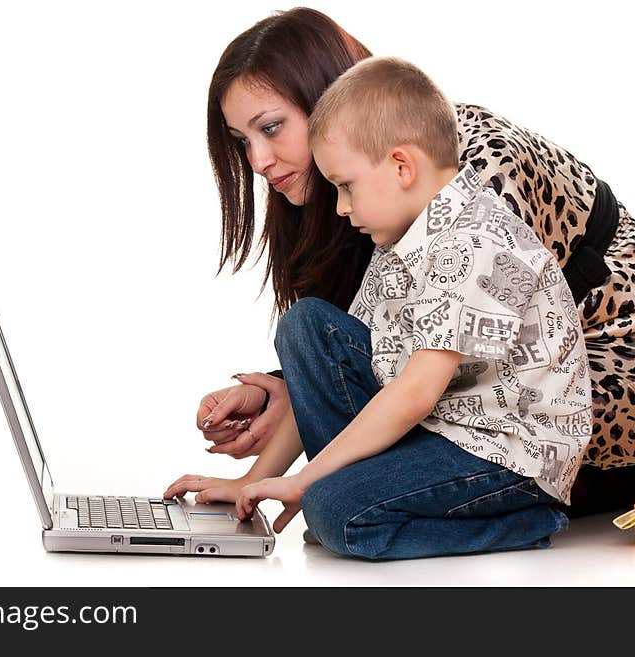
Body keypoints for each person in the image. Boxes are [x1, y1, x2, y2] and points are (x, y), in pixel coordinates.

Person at [181, 7, 635, 520]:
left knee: (370, 479)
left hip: (629, 349)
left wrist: (308, 475)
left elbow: (432, 367)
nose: (258, 161)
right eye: (242, 141)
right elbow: (378, 333)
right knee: (328, 382)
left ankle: (594, 487)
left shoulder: (473, 179)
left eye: (271, 128)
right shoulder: (362, 186)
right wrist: (287, 393)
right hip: (469, 367)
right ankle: (365, 502)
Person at [167, 55, 589, 559]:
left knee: (334, 515)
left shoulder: (476, 242)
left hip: (508, 456)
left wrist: (306, 481)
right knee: (307, 326)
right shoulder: (400, 242)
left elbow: (413, 393)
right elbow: (351, 365)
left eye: (346, 186)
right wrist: (255, 483)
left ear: (401, 167)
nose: (341, 207)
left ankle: (525, 521)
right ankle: (348, 493)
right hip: (442, 430)